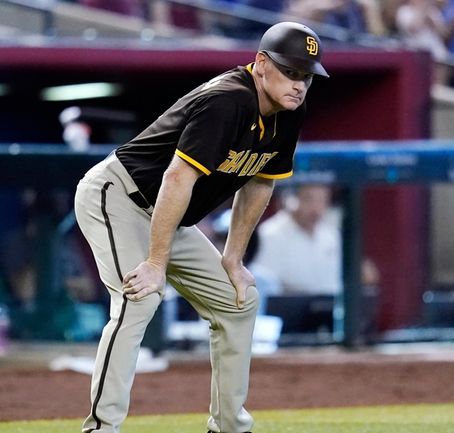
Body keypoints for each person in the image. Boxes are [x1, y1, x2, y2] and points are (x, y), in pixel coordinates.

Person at [73, 21, 328, 433]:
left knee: (238, 301)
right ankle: (101, 428)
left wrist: (233, 258)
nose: (300, 84)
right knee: (140, 297)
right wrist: (156, 262)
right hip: (117, 196)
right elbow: (177, 178)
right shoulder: (227, 100)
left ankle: (227, 427)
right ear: (261, 63)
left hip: (169, 215)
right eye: (292, 71)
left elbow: (260, 182)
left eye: (307, 76)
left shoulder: (288, 113)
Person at [255, 184, 342, 295]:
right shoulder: (270, 234)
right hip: (288, 309)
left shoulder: (332, 235)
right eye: (308, 199)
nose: (315, 209)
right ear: (291, 199)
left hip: (331, 307)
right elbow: (265, 284)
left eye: (322, 200)